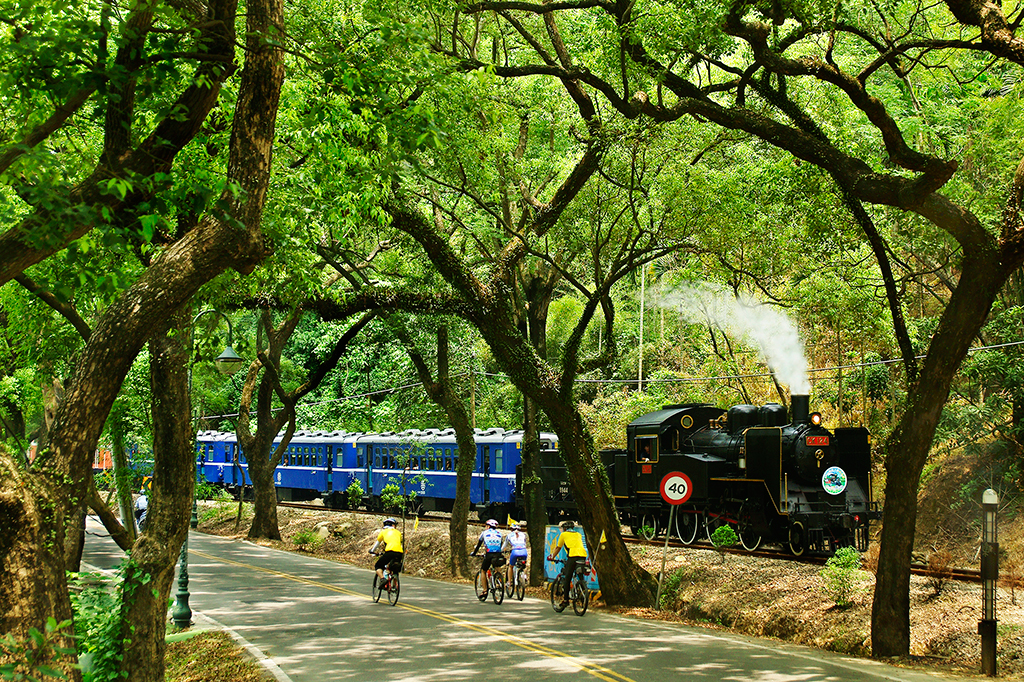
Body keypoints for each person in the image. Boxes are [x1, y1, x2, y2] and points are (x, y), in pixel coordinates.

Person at [547, 519, 588, 608]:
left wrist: (552, 556)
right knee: (580, 574)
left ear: (565, 529)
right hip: (583, 555)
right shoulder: (578, 534)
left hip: (573, 556)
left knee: (567, 578)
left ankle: (566, 600)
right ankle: (582, 590)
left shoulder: (563, 535)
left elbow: (558, 547)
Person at [470, 519, 505, 598]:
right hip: (498, 554)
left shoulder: (484, 533)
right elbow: (500, 545)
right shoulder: (500, 534)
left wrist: (474, 553)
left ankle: (485, 590)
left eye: (486, 525)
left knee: (483, 571)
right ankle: (499, 581)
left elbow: (479, 545)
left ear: (488, 526)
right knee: (497, 567)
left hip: (489, 554)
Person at [368, 518, 404, 582]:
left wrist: (372, 551)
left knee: (378, 566)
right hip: (400, 553)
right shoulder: (398, 533)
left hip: (390, 552)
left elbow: (377, 543)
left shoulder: (383, 532)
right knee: (394, 568)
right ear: (393, 525)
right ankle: (395, 585)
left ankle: (382, 579)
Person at [502, 522, 528, 586]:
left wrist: (501, 551)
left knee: (511, 566)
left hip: (515, 552)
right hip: (524, 551)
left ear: (511, 529)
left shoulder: (509, 535)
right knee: (523, 565)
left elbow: (504, 546)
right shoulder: (524, 534)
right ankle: (524, 576)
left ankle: (509, 582)